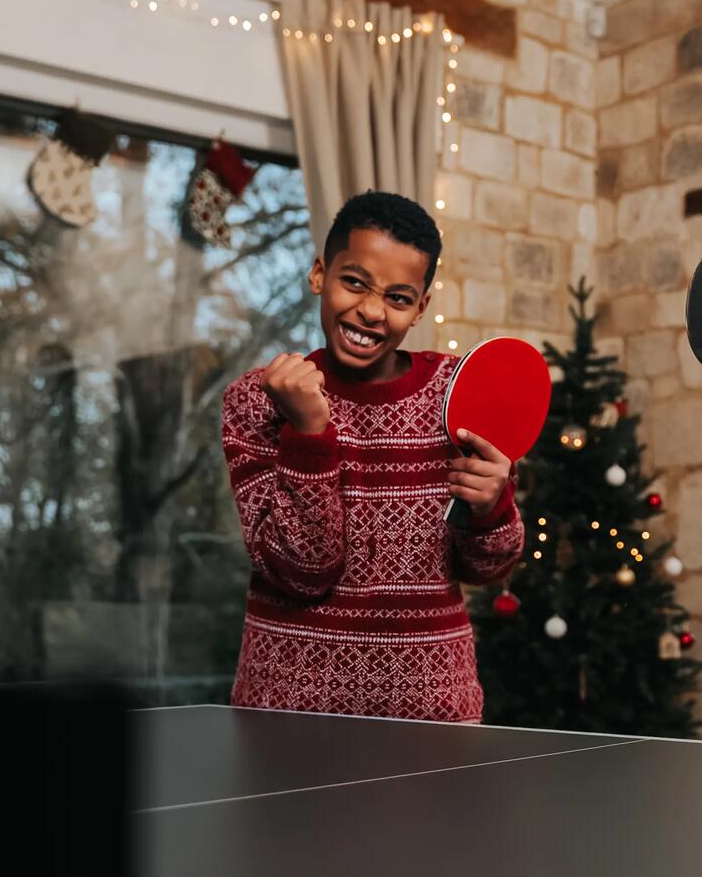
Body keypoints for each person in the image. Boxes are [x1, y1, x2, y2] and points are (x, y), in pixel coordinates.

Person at [221, 190, 522, 721]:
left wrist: (492, 505)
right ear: (320, 274)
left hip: (431, 714)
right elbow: (302, 572)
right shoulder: (258, 400)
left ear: (421, 308)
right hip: (289, 711)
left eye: (399, 297)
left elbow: (489, 566)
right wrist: (310, 432)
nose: (371, 310)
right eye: (354, 282)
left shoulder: (460, 393)